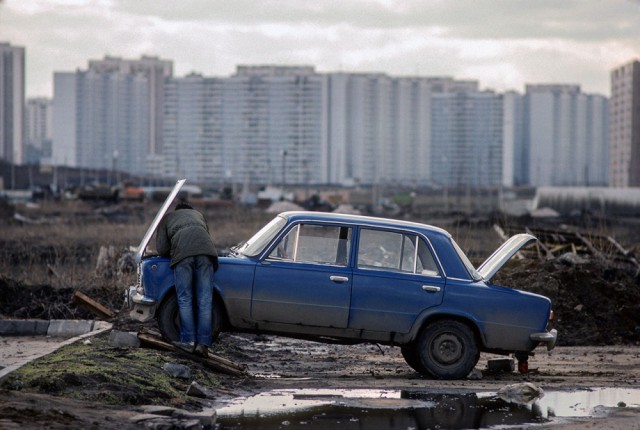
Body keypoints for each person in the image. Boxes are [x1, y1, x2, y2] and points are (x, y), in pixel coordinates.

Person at [156, 200, 219, 357]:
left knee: (185, 299)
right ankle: (203, 344)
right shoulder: (199, 215)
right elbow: (207, 237)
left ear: (177, 210)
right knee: (205, 300)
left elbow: (162, 249)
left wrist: (175, 248)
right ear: (190, 210)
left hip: (183, 257)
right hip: (207, 255)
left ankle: (188, 341)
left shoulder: (168, 218)